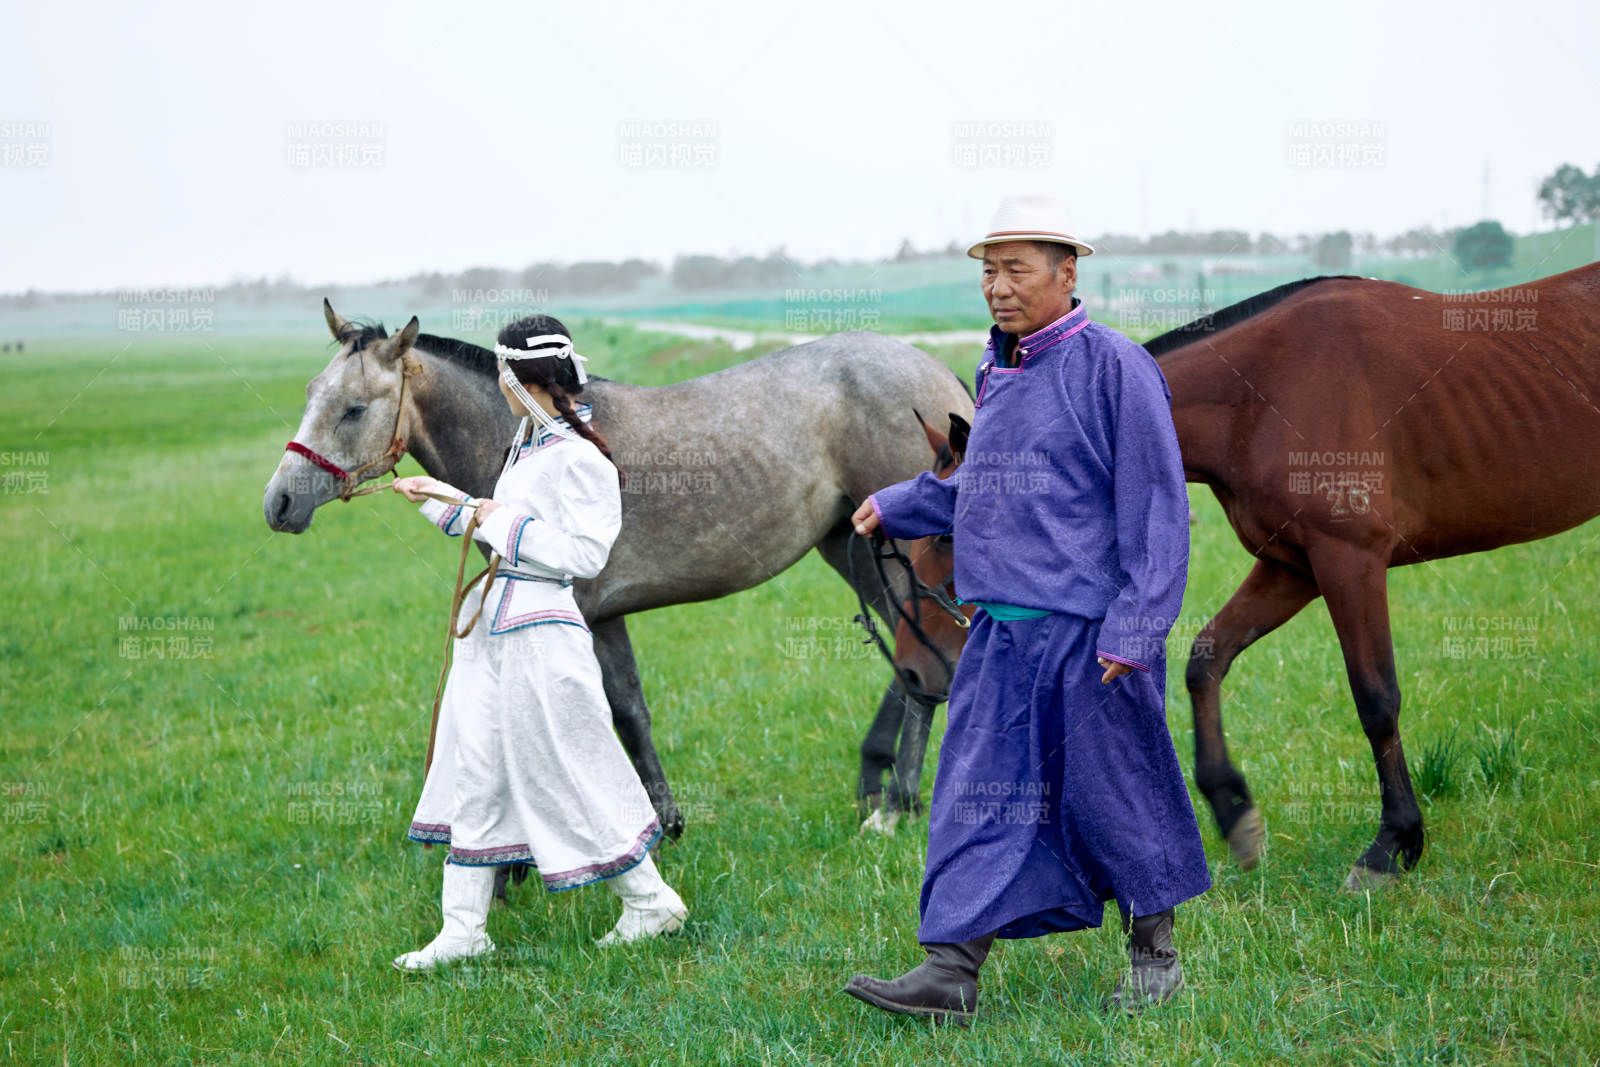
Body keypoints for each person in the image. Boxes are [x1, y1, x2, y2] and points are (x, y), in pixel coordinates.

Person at [843, 194, 1211, 1023]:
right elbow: (985, 486)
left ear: (1066, 271)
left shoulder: (1117, 367)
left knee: (1116, 794)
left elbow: (1157, 506)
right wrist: (902, 501)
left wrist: (1138, 627)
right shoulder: (998, 368)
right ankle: (950, 971)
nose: (998, 287)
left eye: (1015, 269)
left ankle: (1156, 955)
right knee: (974, 790)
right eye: (987, 270)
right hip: (998, 638)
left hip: (1088, 636)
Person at [389, 314, 686, 971]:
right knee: (476, 766)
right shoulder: (526, 446)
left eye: (503, 372)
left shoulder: (581, 458)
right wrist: (437, 498)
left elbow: (583, 553)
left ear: (529, 379)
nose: (497, 383)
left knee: (571, 767)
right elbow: (498, 523)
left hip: (544, 634)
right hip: (496, 628)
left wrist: (499, 518)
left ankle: (651, 900)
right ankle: (463, 927)